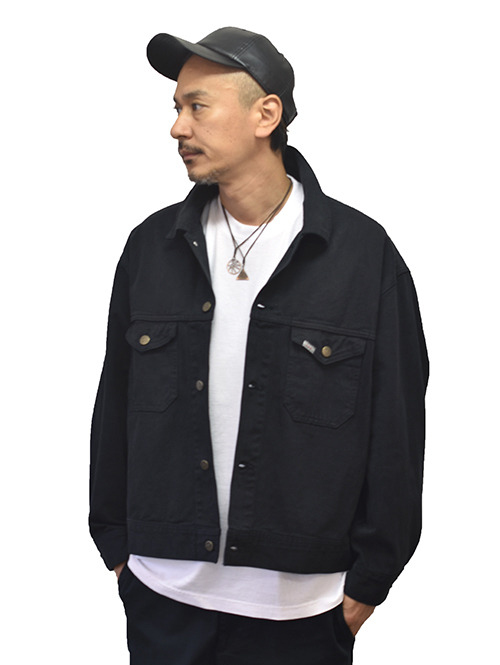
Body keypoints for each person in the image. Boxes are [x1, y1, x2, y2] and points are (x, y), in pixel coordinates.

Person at [89, 27, 429, 665]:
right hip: (164, 598)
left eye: (197, 107)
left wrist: (371, 579)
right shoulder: (150, 248)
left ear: (265, 115)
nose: (177, 128)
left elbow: (397, 426)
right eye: (177, 108)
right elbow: (115, 405)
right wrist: (115, 546)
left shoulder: (362, 257)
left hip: (301, 613)